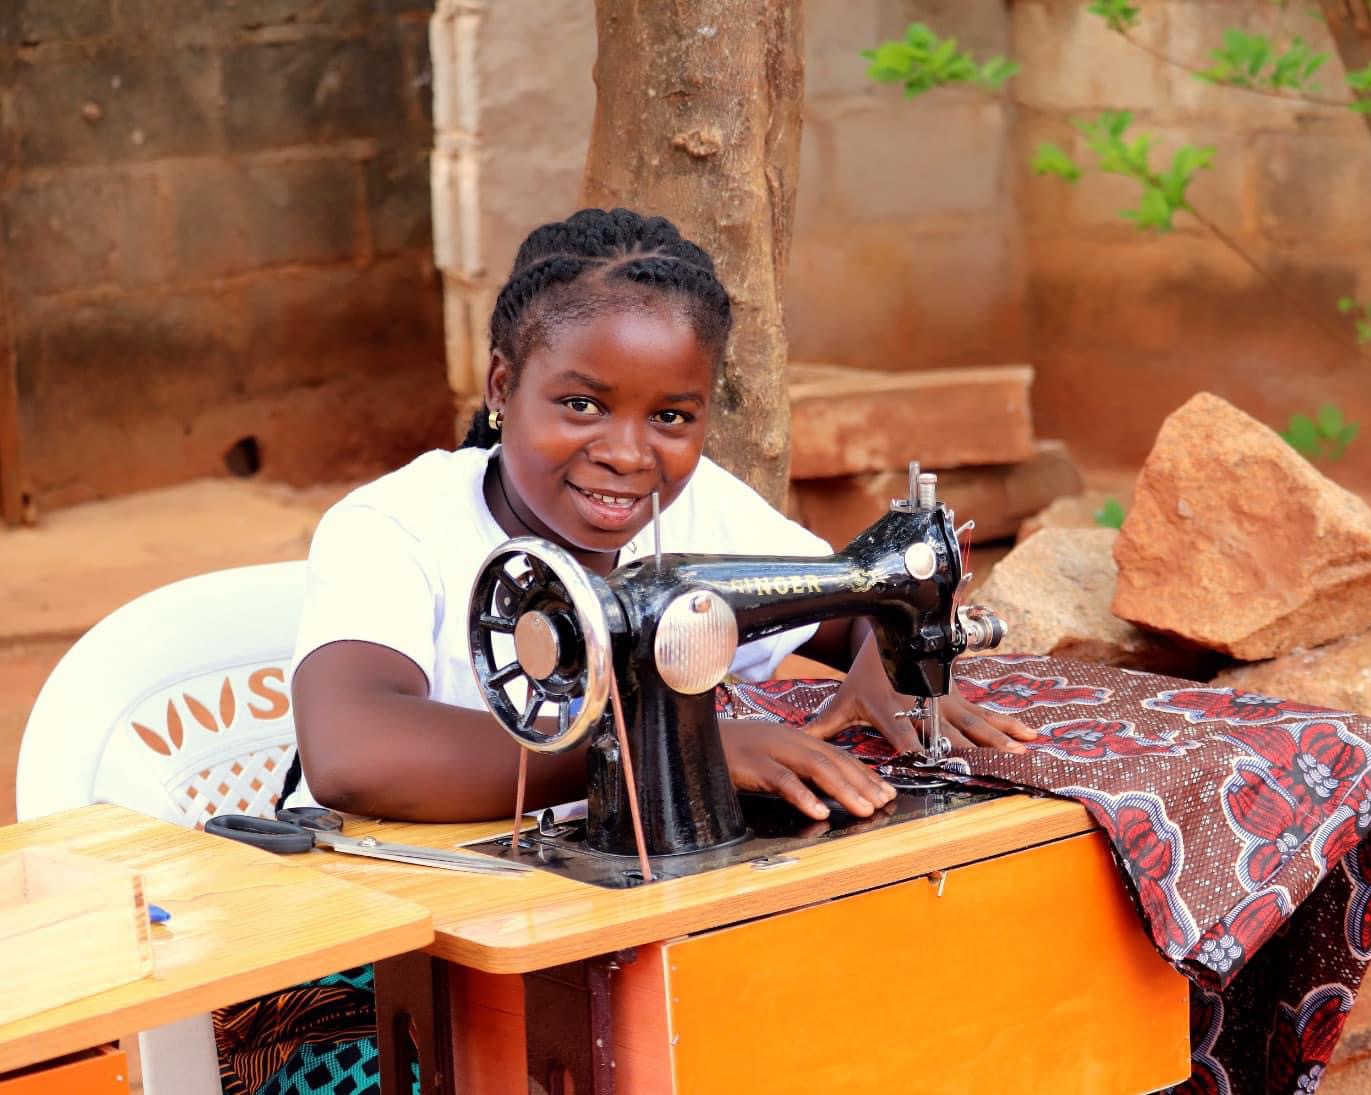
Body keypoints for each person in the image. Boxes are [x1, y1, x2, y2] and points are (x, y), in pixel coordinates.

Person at [286, 206, 1036, 826]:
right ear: (502, 383)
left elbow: (858, 607)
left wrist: (884, 658)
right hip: (380, 935)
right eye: (582, 405)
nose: (627, 453)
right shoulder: (397, 527)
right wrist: (663, 754)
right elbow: (355, 752)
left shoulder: (701, 505)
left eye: (672, 416)